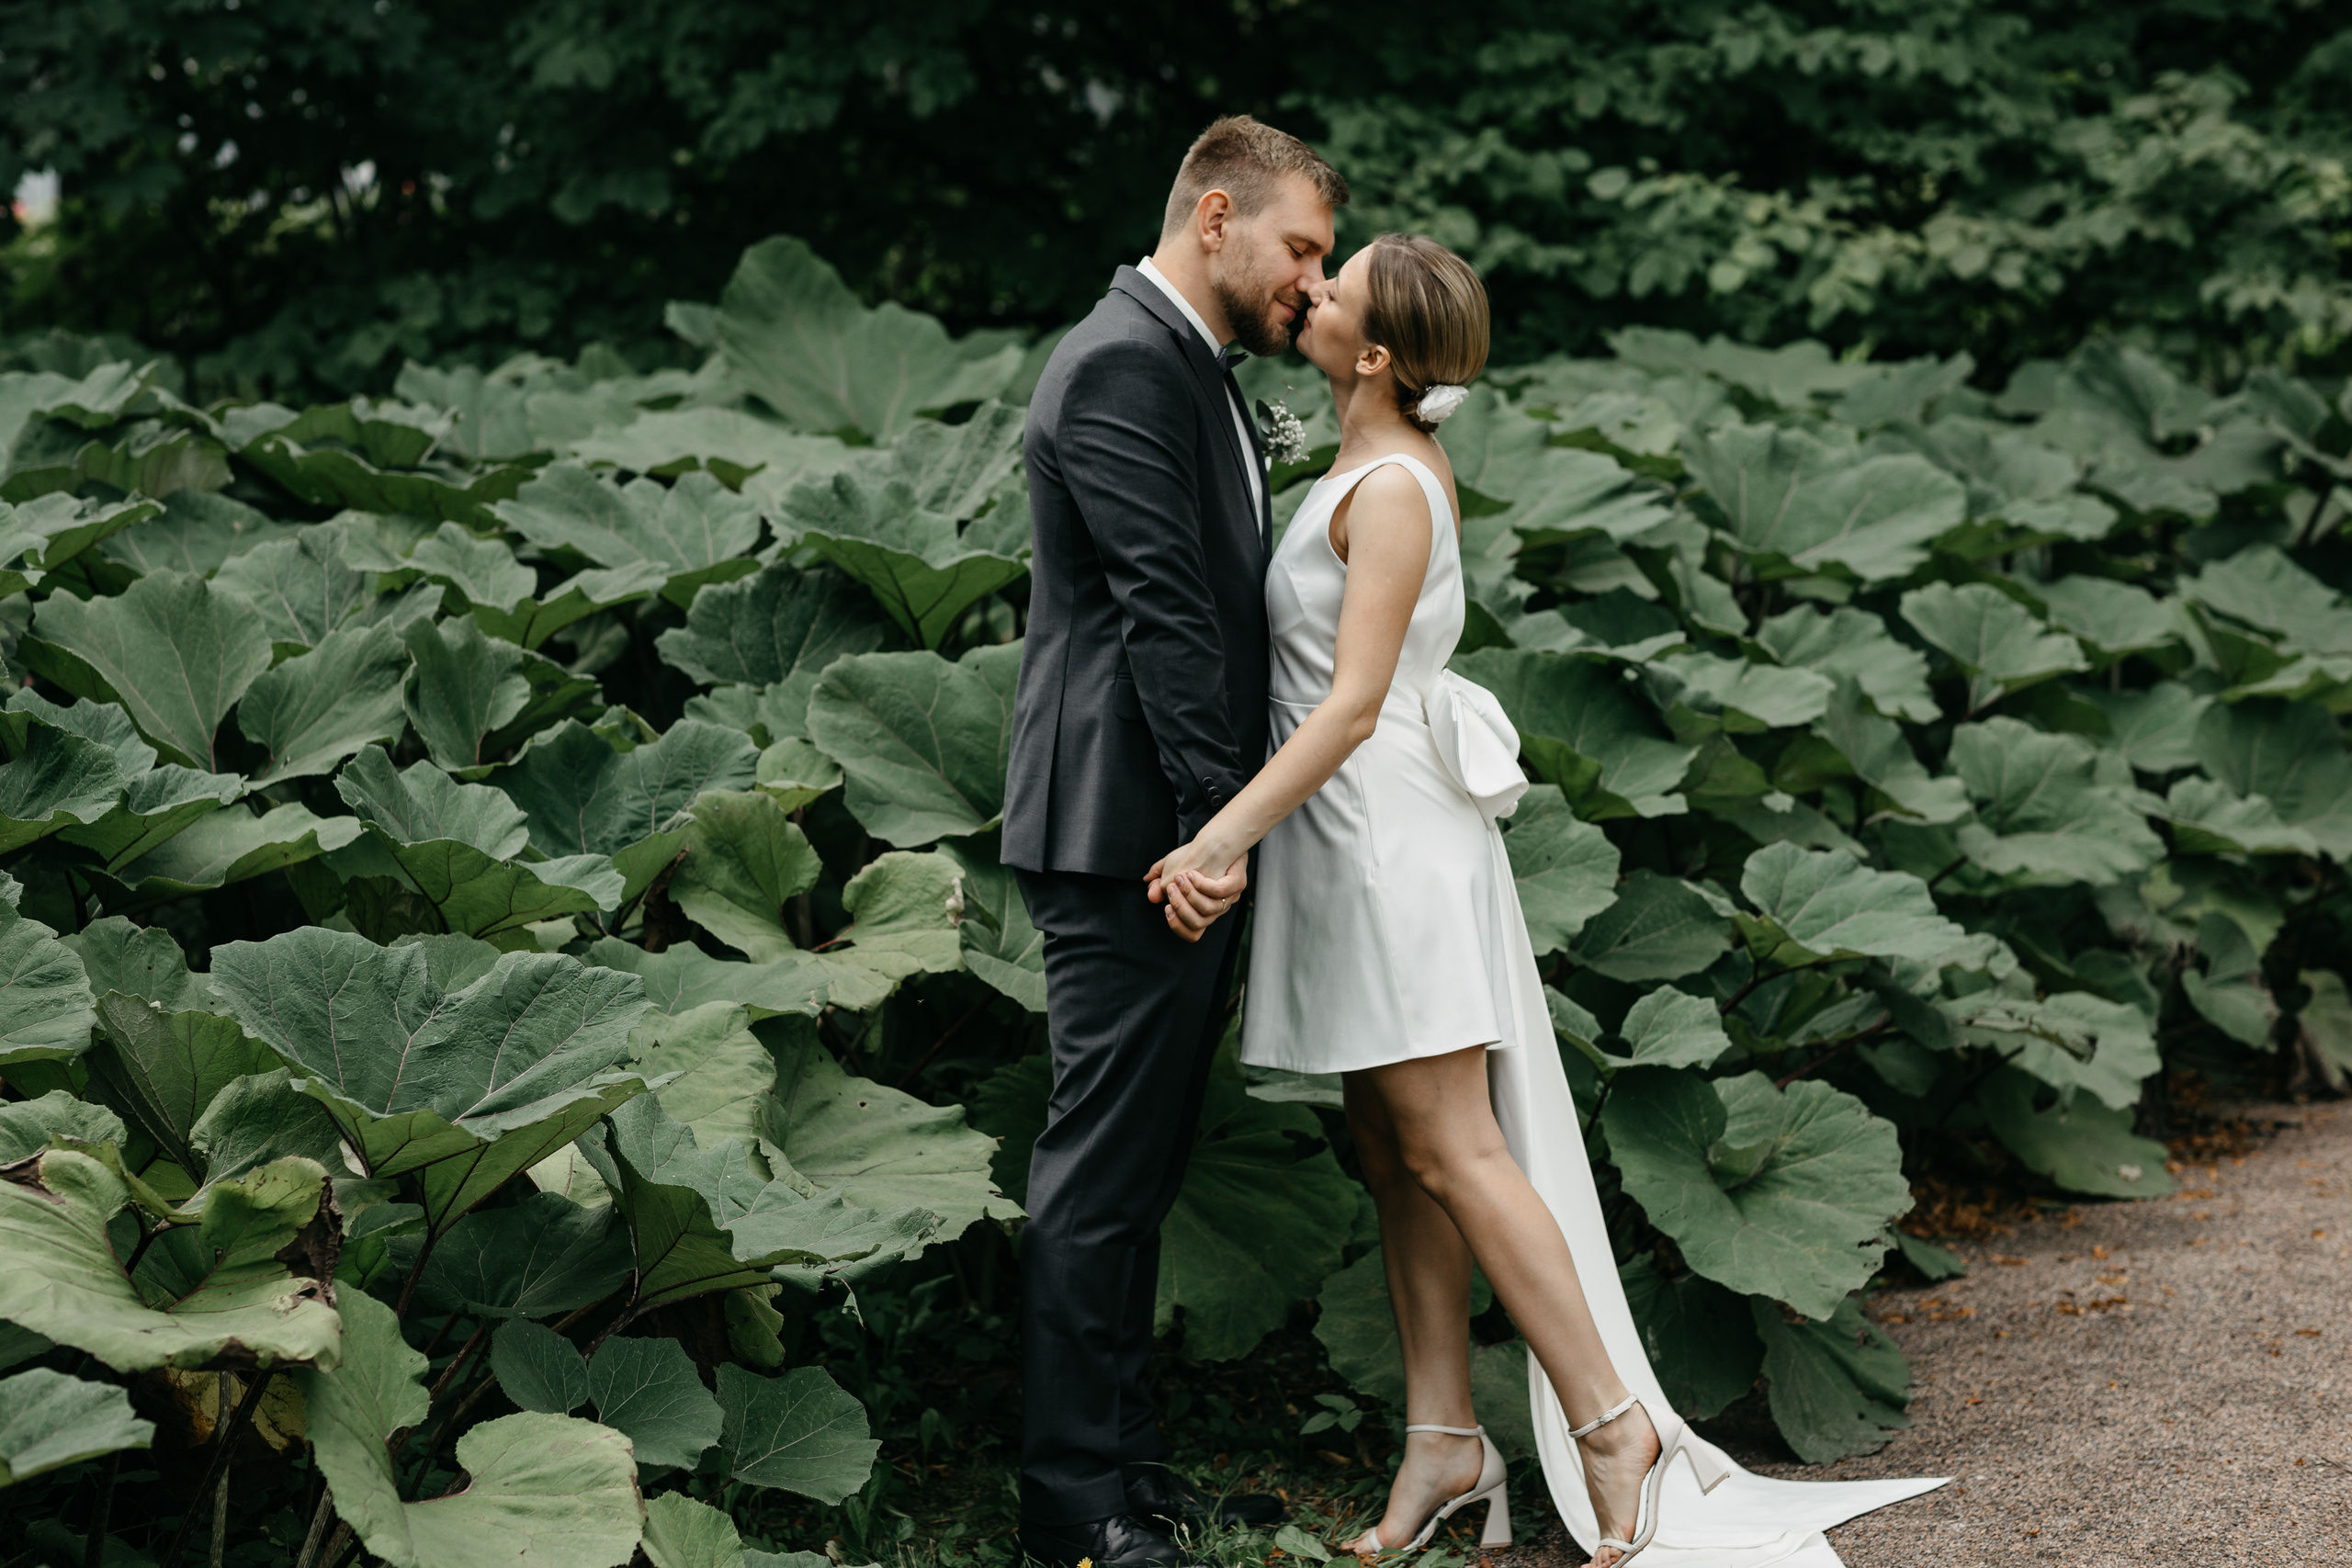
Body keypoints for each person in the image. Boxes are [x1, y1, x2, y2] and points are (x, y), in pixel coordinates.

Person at [1147, 236, 1948, 1565]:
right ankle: (1445, 1444)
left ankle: (1610, 1418)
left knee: (1455, 1146)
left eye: (1332, 289)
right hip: (1343, 842)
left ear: (1382, 354)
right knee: (1395, 1154)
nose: (1312, 294)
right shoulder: (1355, 461)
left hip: (1388, 835)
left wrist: (1221, 839)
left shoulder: (1395, 485)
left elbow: (1351, 704)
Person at [1001, 115, 1347, 1568]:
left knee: (1138, 1170)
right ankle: (1074, 1505)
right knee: (1097, 1170)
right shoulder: (1126, 362)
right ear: (1215, 215)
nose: (1313, 287)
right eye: (1300, 250)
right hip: (1130, 832)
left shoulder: (1188, 366)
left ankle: (1131, 1475)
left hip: (1165, 830)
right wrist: (1219, 834)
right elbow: (1165, 617)